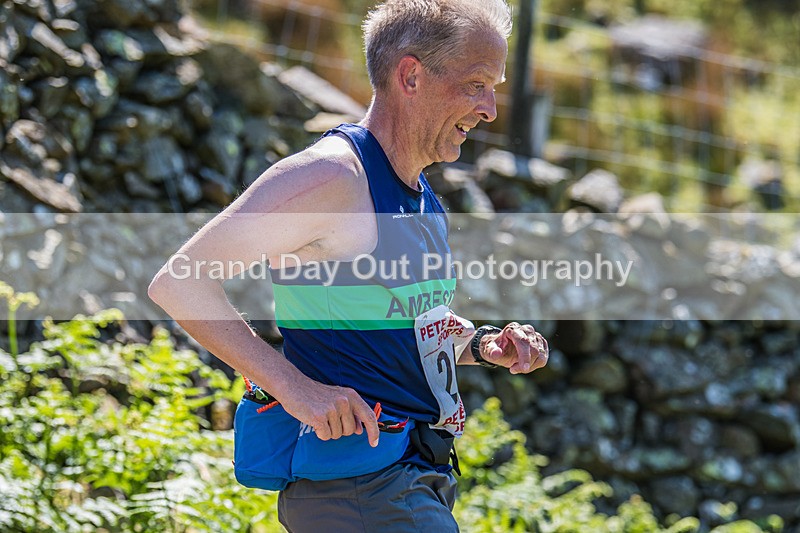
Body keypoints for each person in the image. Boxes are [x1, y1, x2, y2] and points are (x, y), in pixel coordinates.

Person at [148, 0, 549, 530]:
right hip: (362, 490)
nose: (491, 109)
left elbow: (402, 330)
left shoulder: (420, 195)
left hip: (410, 480)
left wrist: (481, 345)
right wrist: (296, 389)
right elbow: (180, 282)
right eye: (477, 83)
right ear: (411, 75)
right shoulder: (331, 179)